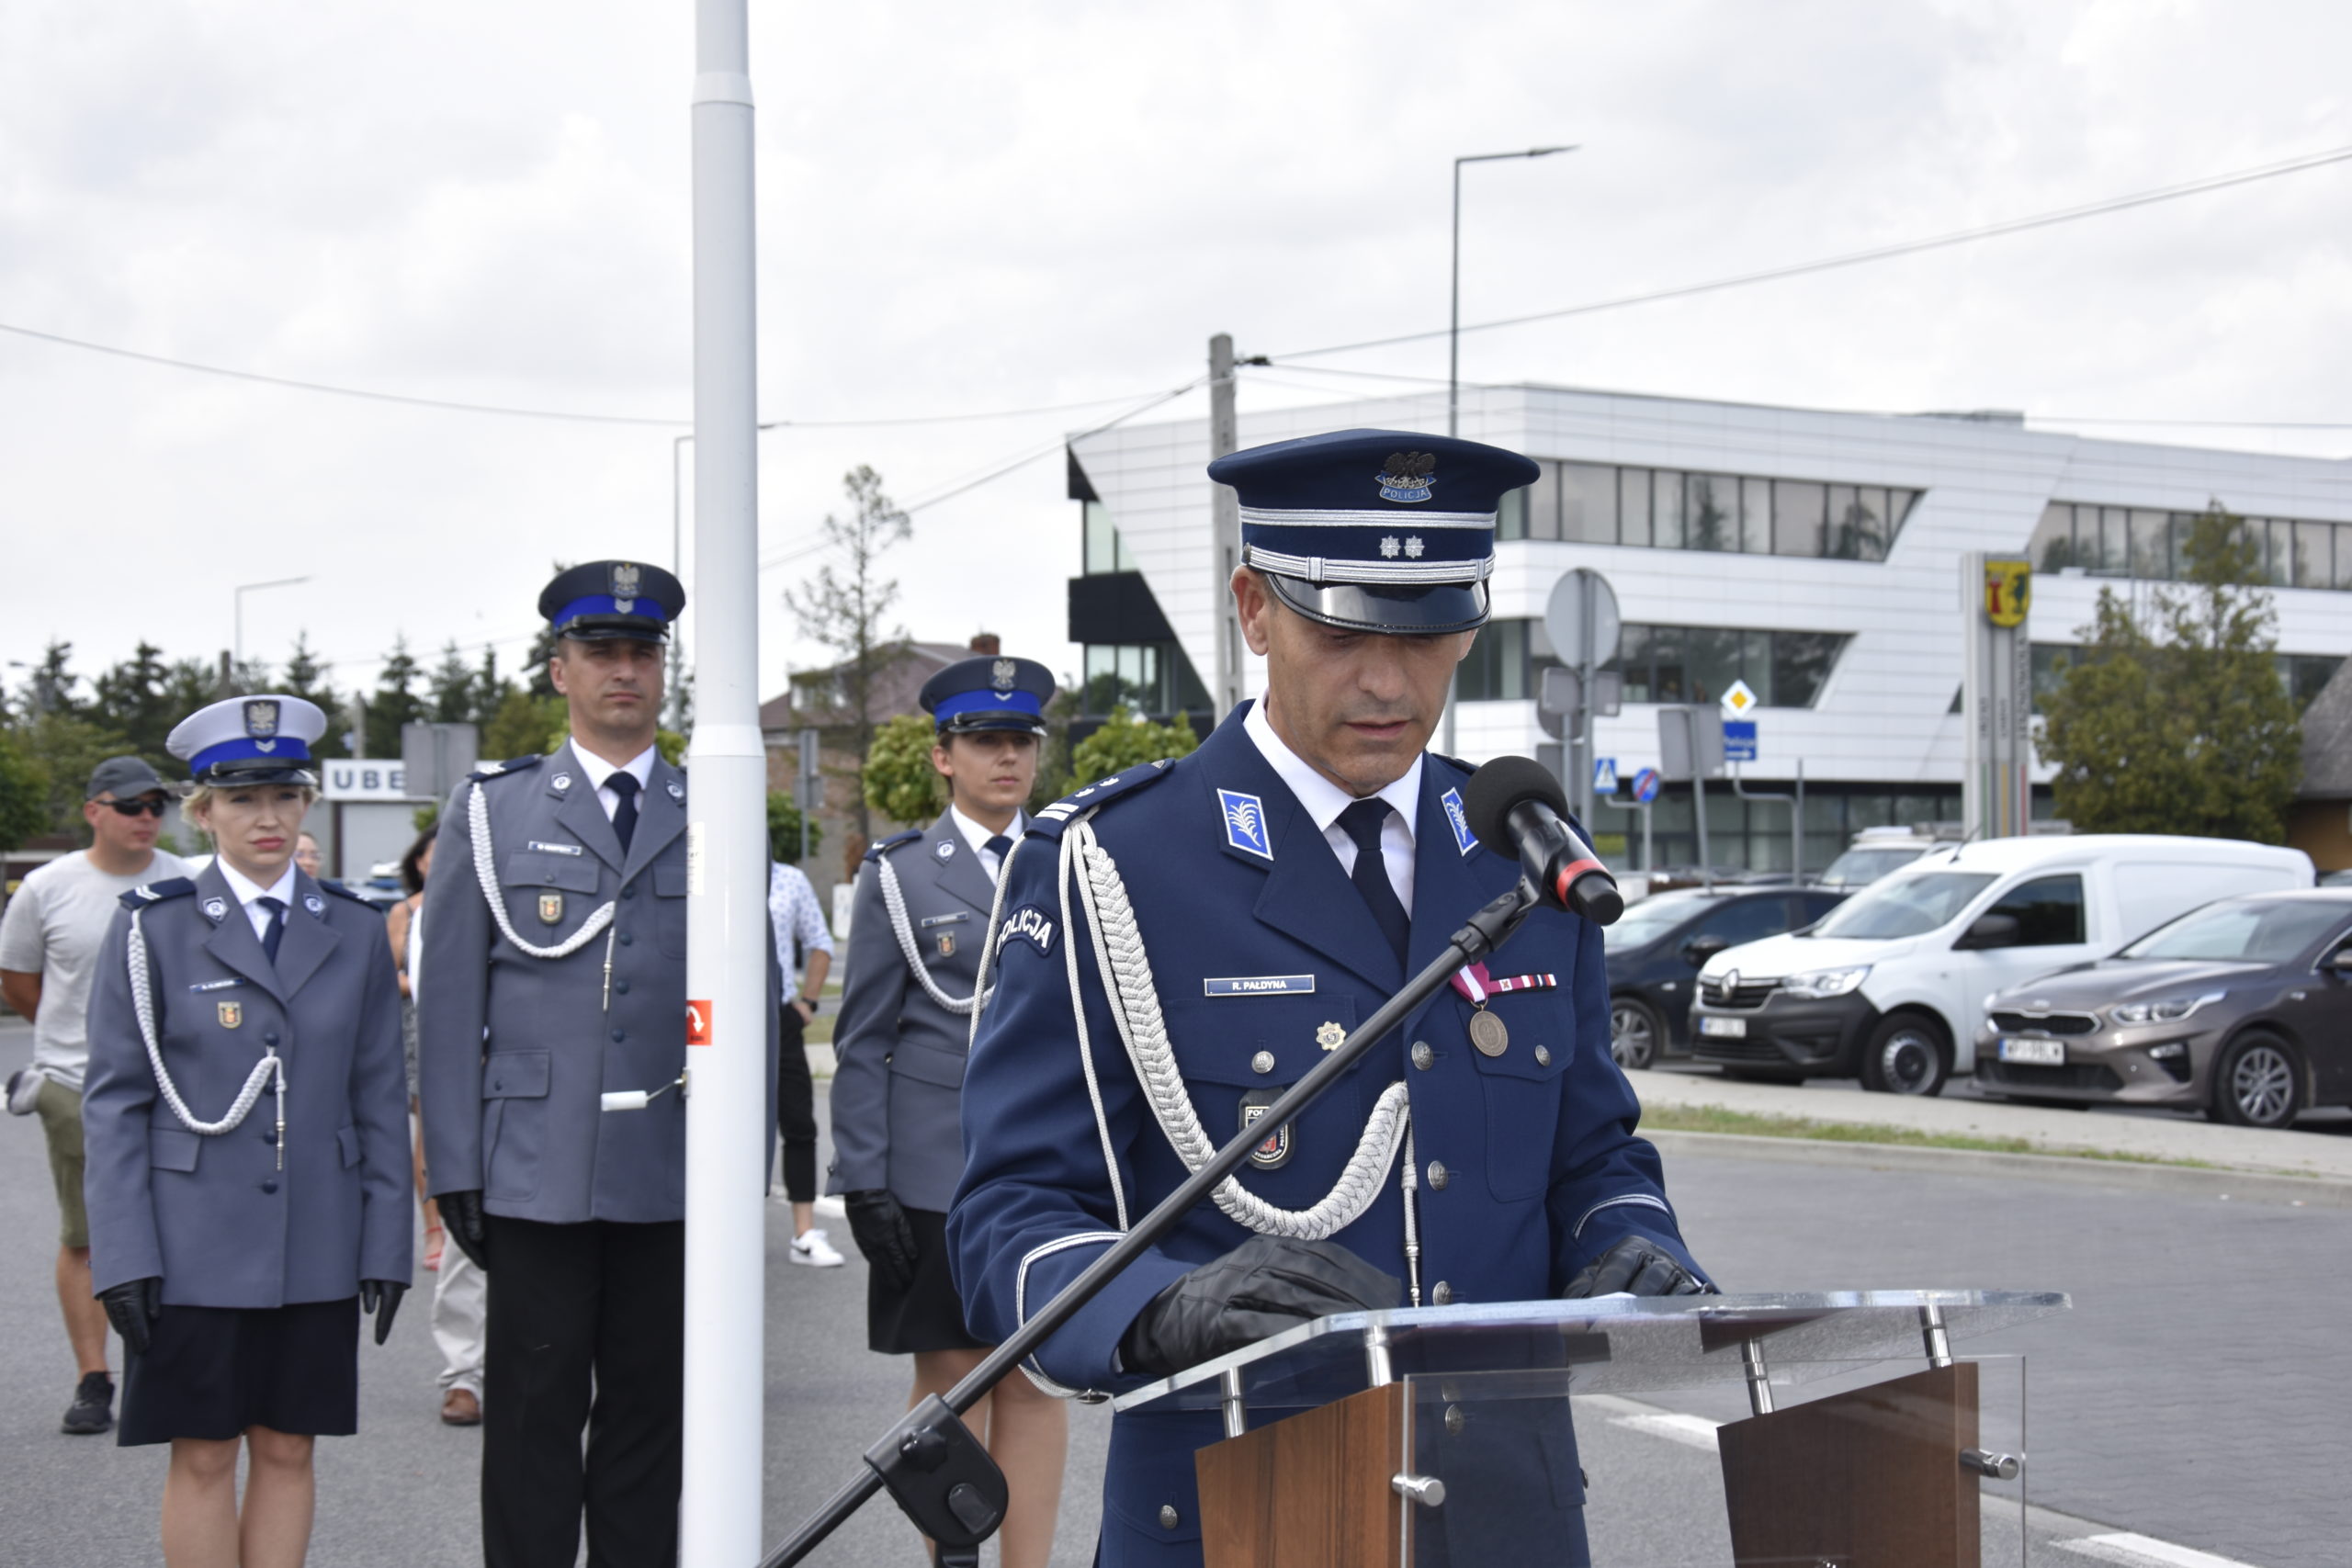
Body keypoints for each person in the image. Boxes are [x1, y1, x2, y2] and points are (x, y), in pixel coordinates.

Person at [947, 430, 1714, 1567]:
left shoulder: (1524, 855)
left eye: (1431, 633)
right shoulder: (1116, 863)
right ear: (1255, 610)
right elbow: (1008, 1217)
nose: (1390, 681)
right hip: (1238, 1516)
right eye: (1346, 630)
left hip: (1507, 1521)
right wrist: (1161, 1308)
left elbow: (1593, 1156)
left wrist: (1633, 1242)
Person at [419, 560, 775, 1568]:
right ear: (558, 671)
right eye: (601, 653)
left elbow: (747, 1010)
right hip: (536, 1168)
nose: (625, 670)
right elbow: (450, 1009)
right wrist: (455, 1169)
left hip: (671, 1172)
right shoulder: (493, 814)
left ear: (664, 671)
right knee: (530, 1421)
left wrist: (741, 1178)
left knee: (651, 1423)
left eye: (642, 653)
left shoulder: (714, 807)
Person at [81, 695, 411, 1567]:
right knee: (202, 1452)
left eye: (283, 795)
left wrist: (384, 1243)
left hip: (317, 1236)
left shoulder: (350, 925)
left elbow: (378, 1094)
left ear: (306, 802)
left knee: (289, 1445)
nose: (266, 817)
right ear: (203, 811)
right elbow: (113, 1104)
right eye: (241, 799)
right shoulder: (154, 925)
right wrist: (122, 1255)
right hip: (190, 1241)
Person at [831, 652, 1069, 1568]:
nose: (1006, 760)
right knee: (954, 1383)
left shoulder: (1061, 860)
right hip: (936, 1170)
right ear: (943, 758)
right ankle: (954, 1558)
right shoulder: (902, 875)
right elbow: (863, 1042)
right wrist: (865, 1178)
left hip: (1044, 1167)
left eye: (1019, 742)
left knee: (1039, 1383)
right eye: (984, 743)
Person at [0, 756, 191, 1437]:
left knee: (175, 1224)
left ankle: (166, 1352)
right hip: (77, 1083)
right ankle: (93, 1375)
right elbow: (19, 981)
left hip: (175, 1086)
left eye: (156, 806)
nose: (147, 817)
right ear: (93, 811)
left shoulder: (185, 880)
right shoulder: (47, 888)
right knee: (88, 1235)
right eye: (131, 805)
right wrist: (68, 1051)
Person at [390, 826, 487, 1425]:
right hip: (468, 1075)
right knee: (464, 1236)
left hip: (544, 1082)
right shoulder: (435, 914)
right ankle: (464, 1373)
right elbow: (437, 1004)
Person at [767, 853, 841, 1266]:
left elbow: (820, 942)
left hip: (777, 1016)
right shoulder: (703, 865)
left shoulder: (789, 880)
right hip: (713, 1017)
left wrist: (807, 1003)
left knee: (798, 1124)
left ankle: (804, 1232)